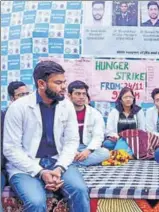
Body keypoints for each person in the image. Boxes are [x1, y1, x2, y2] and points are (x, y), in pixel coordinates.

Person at [3, 61, 90, 212]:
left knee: (80, 191)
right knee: (36, 202)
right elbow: (11, 149)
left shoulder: (67, 105)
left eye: (64, 82)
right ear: (41, 83)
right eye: (58, 82)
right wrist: (40, 172)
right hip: (25, 166)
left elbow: (72, 141)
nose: (64, 87)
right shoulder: (18, 108)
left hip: (57, 161)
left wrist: (59, 168)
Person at [68, 80, 110, 166]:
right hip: (68, 148)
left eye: (84, 94)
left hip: (86, 147)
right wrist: (72, 151)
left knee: (105, 153)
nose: (81, 97)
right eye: (77, 94)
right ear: (70, 95)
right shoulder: (62, 112)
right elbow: (58, 136)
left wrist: (88, 151)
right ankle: (75, 161)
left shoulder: (95, 113)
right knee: (53, 153)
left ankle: (71, 163)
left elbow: (98, 136)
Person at [103, 87, 145, 155]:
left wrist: (131, 138)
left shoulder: (138, 111)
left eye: (130, 97)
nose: (128, 99)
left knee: (140, 144)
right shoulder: (114, 112)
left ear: (133, 98)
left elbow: (142, 130)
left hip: (134, 139)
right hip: (118, 138)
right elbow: (109, 131)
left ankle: (120, 153)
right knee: (107, 144)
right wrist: (120, 137)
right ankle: (129, 152)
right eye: (125, 97)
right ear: (121, 99)